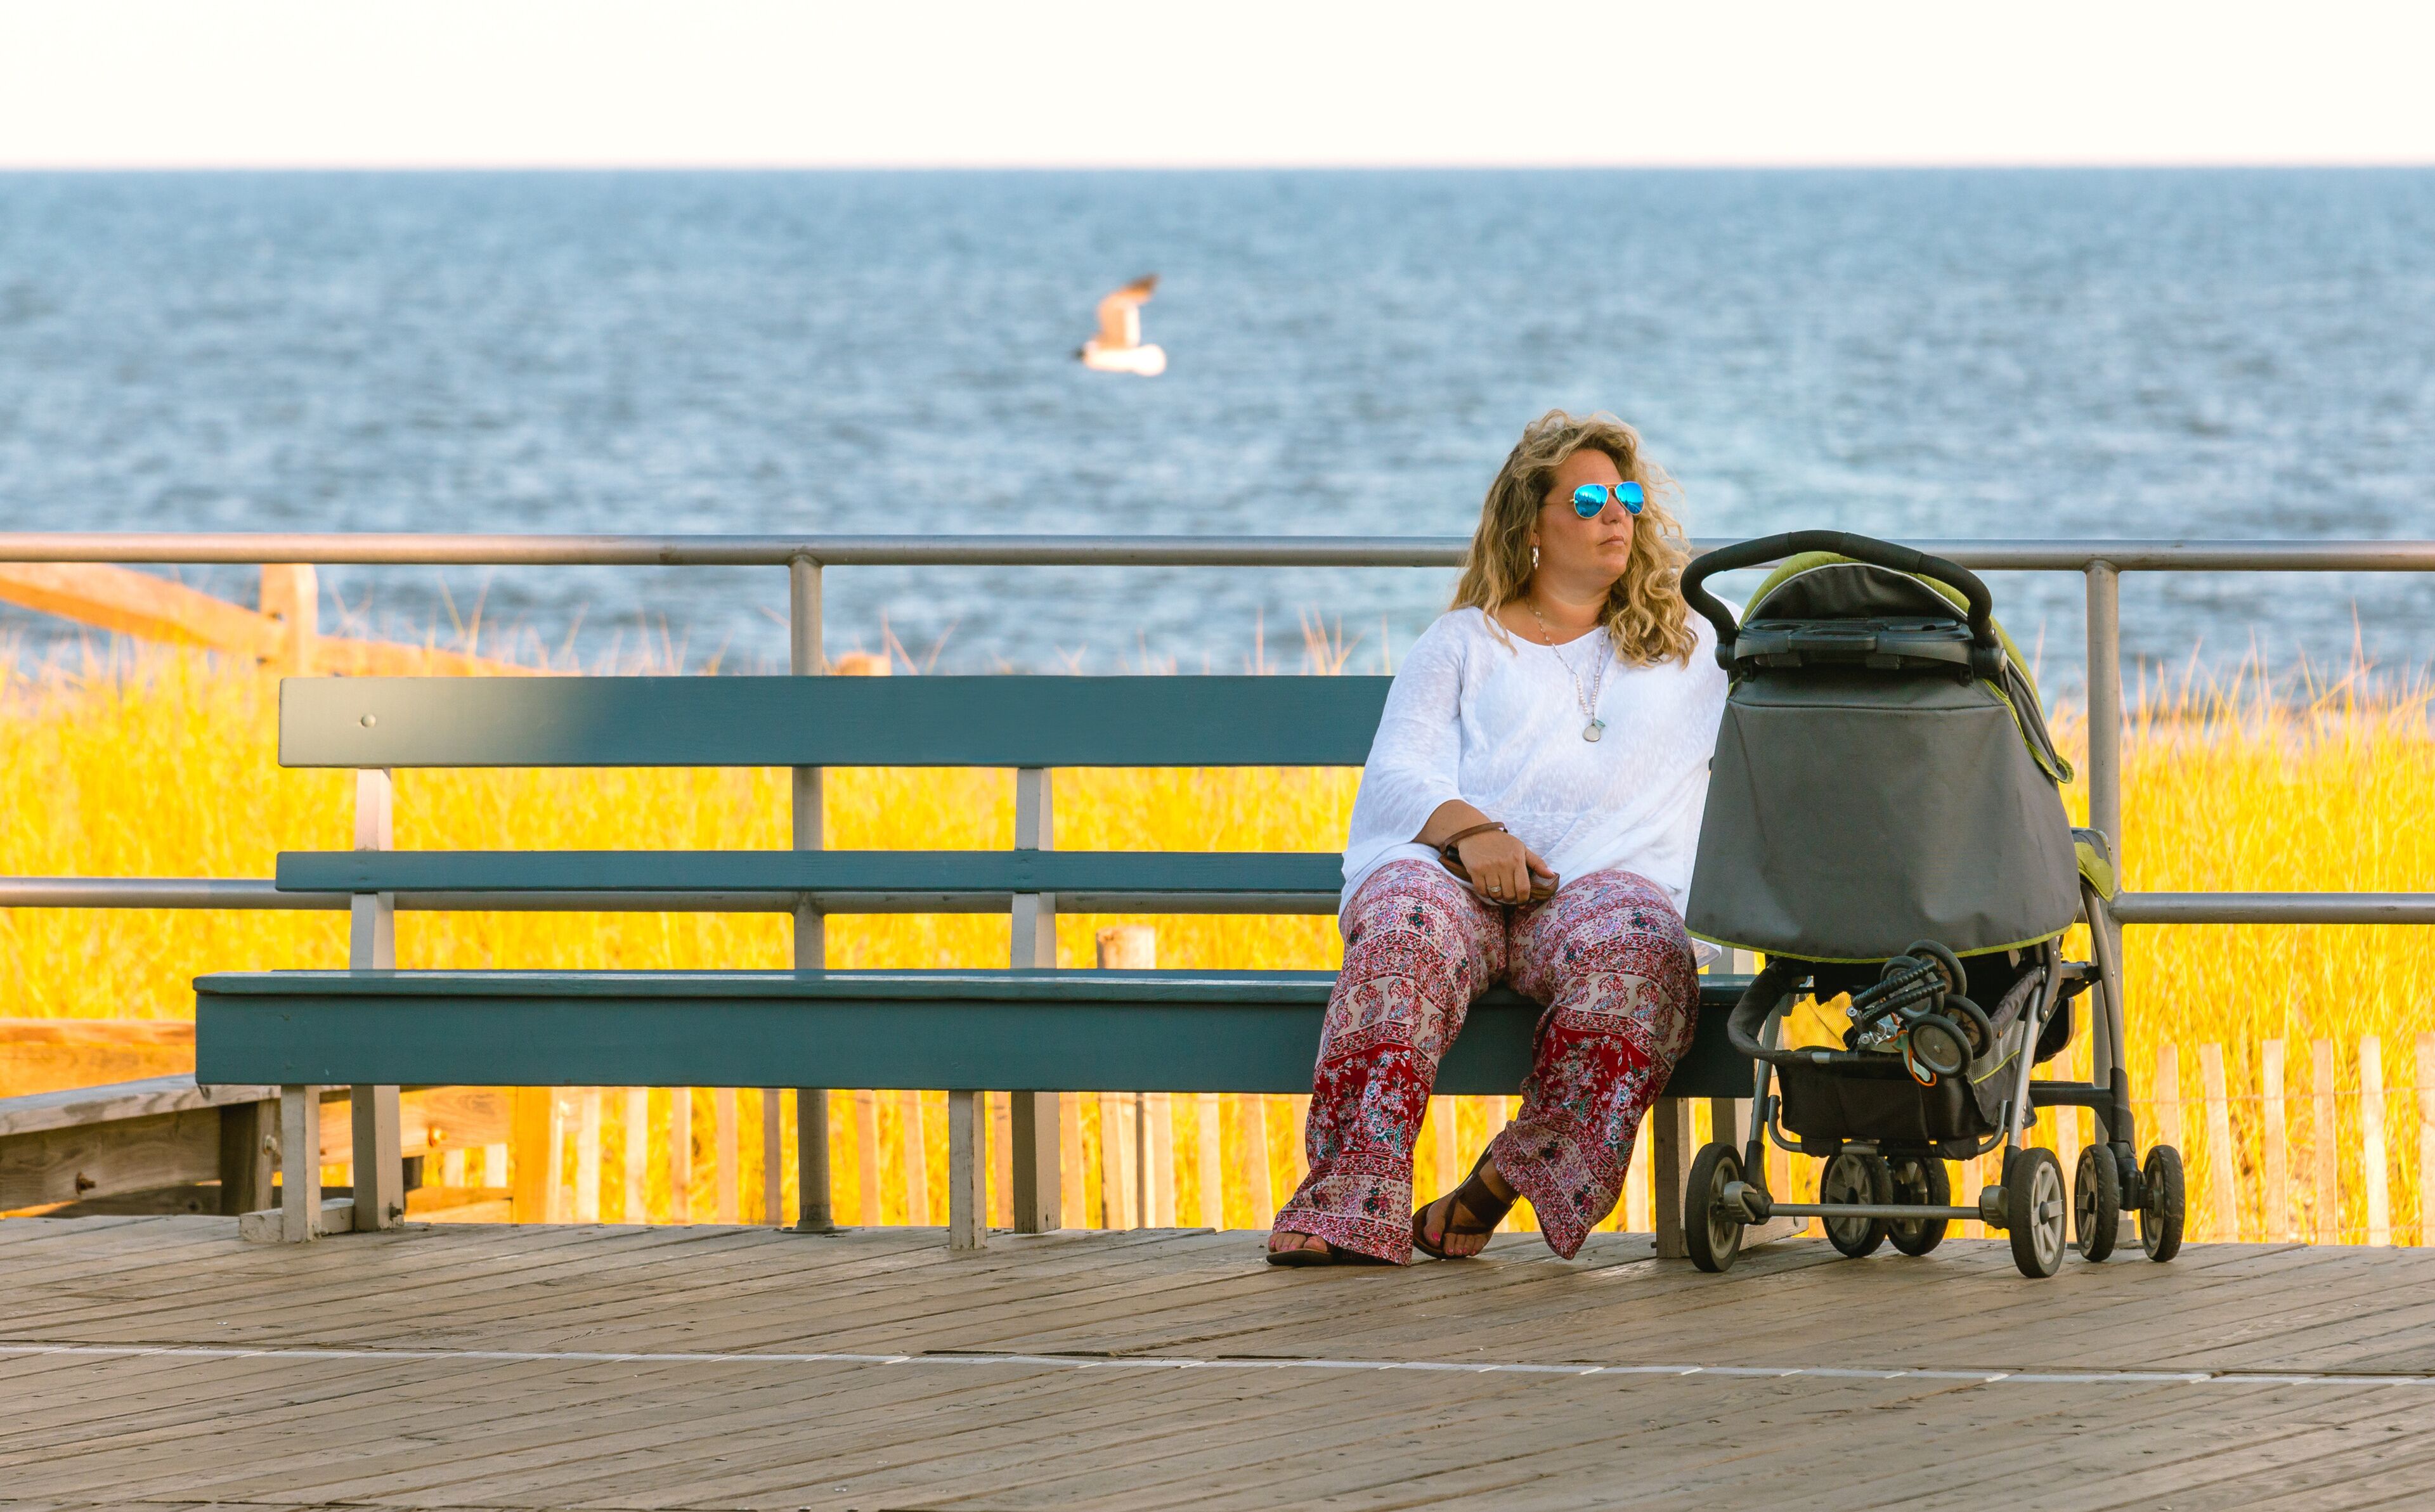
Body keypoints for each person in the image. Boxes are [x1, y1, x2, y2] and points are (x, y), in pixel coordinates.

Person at [1268, 410, 1729, 1265]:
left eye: (1627, 496)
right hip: (1457, 881)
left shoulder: (1694, 643)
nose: (1616, 514)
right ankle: (1349, 1199)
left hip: (1599, 895)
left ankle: (1499, 1181)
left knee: (1644, 952)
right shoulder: (1461, 642)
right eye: (1588, 498)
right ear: (1529, 524)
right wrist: (1476, 836)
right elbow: (1400, 776)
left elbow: (1794, 685)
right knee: (1402, 929)